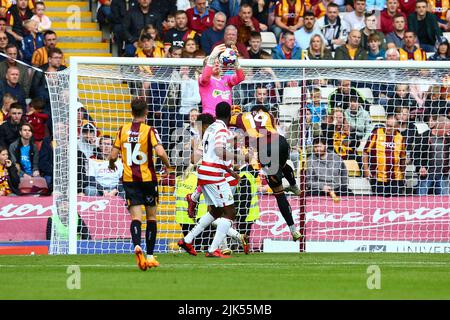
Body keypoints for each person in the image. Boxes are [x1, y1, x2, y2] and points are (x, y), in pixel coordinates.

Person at [109, 98, 172, 270]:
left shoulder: (122, 130)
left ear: (131, 112)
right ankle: (150, 256)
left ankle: (137, 246)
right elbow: (159, 152)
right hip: (148, 180)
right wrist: (168, 166)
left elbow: (113, 155)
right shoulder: (149, 130)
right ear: (146, 112)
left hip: (130, 180)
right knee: (151, 217)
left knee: (136, 217)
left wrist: (111, 164)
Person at [178, 102, 247, 258]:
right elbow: (219, 151)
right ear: (230, 115)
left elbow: (207, 154)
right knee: (230, 213)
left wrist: (230, 171)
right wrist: (242, 157)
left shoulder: (209, 129)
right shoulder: (223, 130)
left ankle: (187, 240)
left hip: (205, 172)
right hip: (214, 174)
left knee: (215, 211)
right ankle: (213, 249)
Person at [228, 104, 303, 241]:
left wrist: (235, 112)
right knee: (283, 164)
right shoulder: (269, 116)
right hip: (281, 143)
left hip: (266, 151)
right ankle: (293, 185)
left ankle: (293, 230)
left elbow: (225, 119)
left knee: (278, 193)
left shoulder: (241, 117)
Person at [363, 114, 407, 196]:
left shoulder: (400, 137)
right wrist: (366, 170)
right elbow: (365, 152)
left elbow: (403, 158)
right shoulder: (376, 133)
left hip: (396, 178)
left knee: (396, 204)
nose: (388, 128)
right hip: (378, 177)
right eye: (387, 125)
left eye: (391, 126)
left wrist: (403, 175)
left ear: (396, 127)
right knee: (379, 202)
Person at [198, 43, 245, 117]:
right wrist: (212, 57)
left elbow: (241, 78)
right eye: (213, 63)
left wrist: (235, 62)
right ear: (206, 67)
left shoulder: (226, 79)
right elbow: (205, 78)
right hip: (209, 117)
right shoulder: (202, 78)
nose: (216, 64)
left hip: (226, 118)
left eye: (218, 62)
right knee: (199, 126)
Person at [413, 116, 450, 195]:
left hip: (443, 174)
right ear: (440, 127)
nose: (448, 131)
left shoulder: (448, 138)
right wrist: (420, 167)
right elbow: (415, 153)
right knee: (421, 197)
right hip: (426, 174)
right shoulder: (424, 137)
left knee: (444, 199)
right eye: (447, 129)